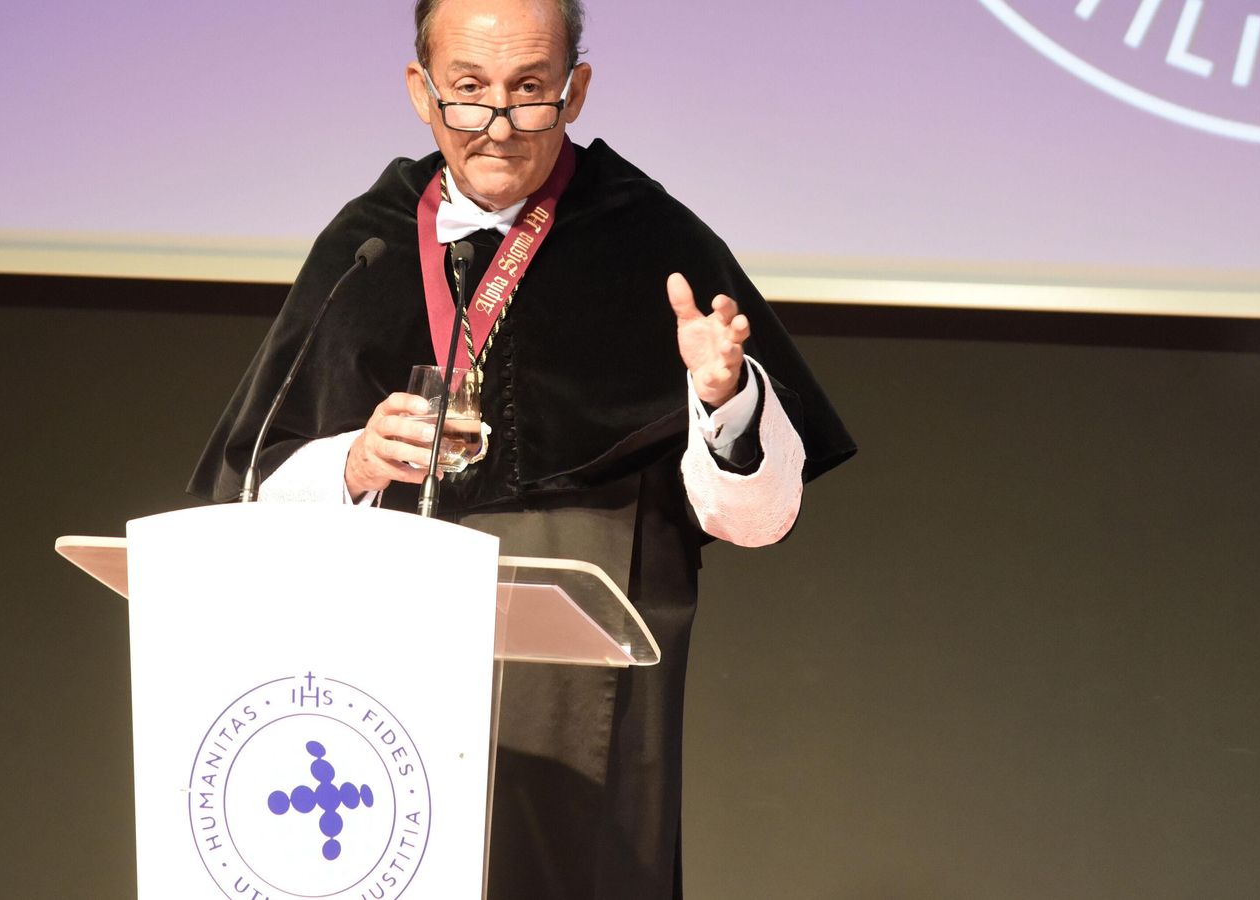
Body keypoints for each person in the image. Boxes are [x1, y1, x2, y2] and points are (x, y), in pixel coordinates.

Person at [189, 0, 854, 896]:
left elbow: (758, 519)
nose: (497, 126)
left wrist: (723, 396)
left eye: (529, 91)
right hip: (380, 649)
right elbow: (249, 486)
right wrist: (355, 463)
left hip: (583, 650)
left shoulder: (652, 240)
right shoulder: (370, 243)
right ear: (421, 93)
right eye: (468, 92)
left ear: (576, 92)